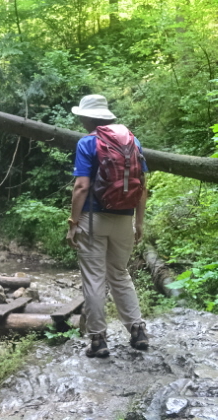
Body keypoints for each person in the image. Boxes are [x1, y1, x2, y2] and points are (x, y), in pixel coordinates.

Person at [66, 94, 149, 358]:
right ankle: (137, 331)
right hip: (124, 218)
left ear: (88, 117)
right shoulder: (133, 141)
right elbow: (142, 186)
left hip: (93, 219)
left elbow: (81, 187)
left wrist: (73, 223)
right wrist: (139, 222)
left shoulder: (87, 143)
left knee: (94, 279)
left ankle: (98, 340)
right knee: (120, 274)